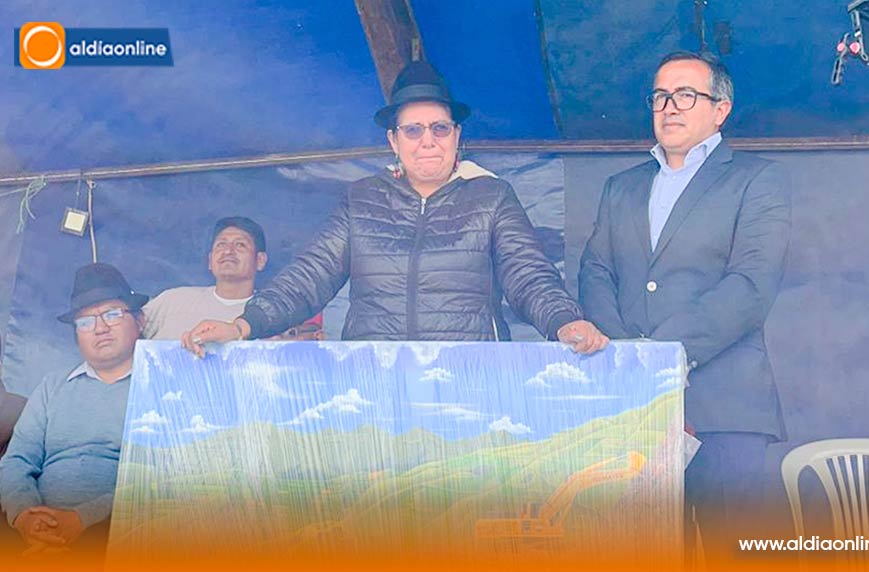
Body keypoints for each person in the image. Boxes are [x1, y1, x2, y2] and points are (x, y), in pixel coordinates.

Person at [183, 61, 606, 354]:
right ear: (394, 140)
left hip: (467, 377)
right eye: (413, 130)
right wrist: (243, 326)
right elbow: (310, 275)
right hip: (374, 378)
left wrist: (564, 321)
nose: (428, 141)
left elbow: (528, 275)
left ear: (457, 136)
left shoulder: (492, 196)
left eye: (440, 128)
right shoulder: (362, 198)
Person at [578, 51, 791, 559]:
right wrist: (634, 360)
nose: (670, 106)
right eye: (660, 96)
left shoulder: (757, 179)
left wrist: (662, 354)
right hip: (634, 406)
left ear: (721, 110)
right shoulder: (620, 187)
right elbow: (595, 273)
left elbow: (751, 285)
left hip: (725, 409)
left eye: (686, 95)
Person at [0, 263, 147, 555]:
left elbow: (159, 478)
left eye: (112, 314)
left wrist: (82, 520)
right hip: (31, 527)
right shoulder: (52, 386)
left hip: (118, 530)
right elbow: (17, 460)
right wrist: (26, 516)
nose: (100, 328)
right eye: (86, 321)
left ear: (140, 320)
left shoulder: (160, 386)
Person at [142, 216, 268, 340]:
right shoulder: (173, 301)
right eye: (221, 244)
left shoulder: (268, 315)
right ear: (210, 260)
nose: (228, 251)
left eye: (240, 245)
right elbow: (132, 325)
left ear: (260, 260)